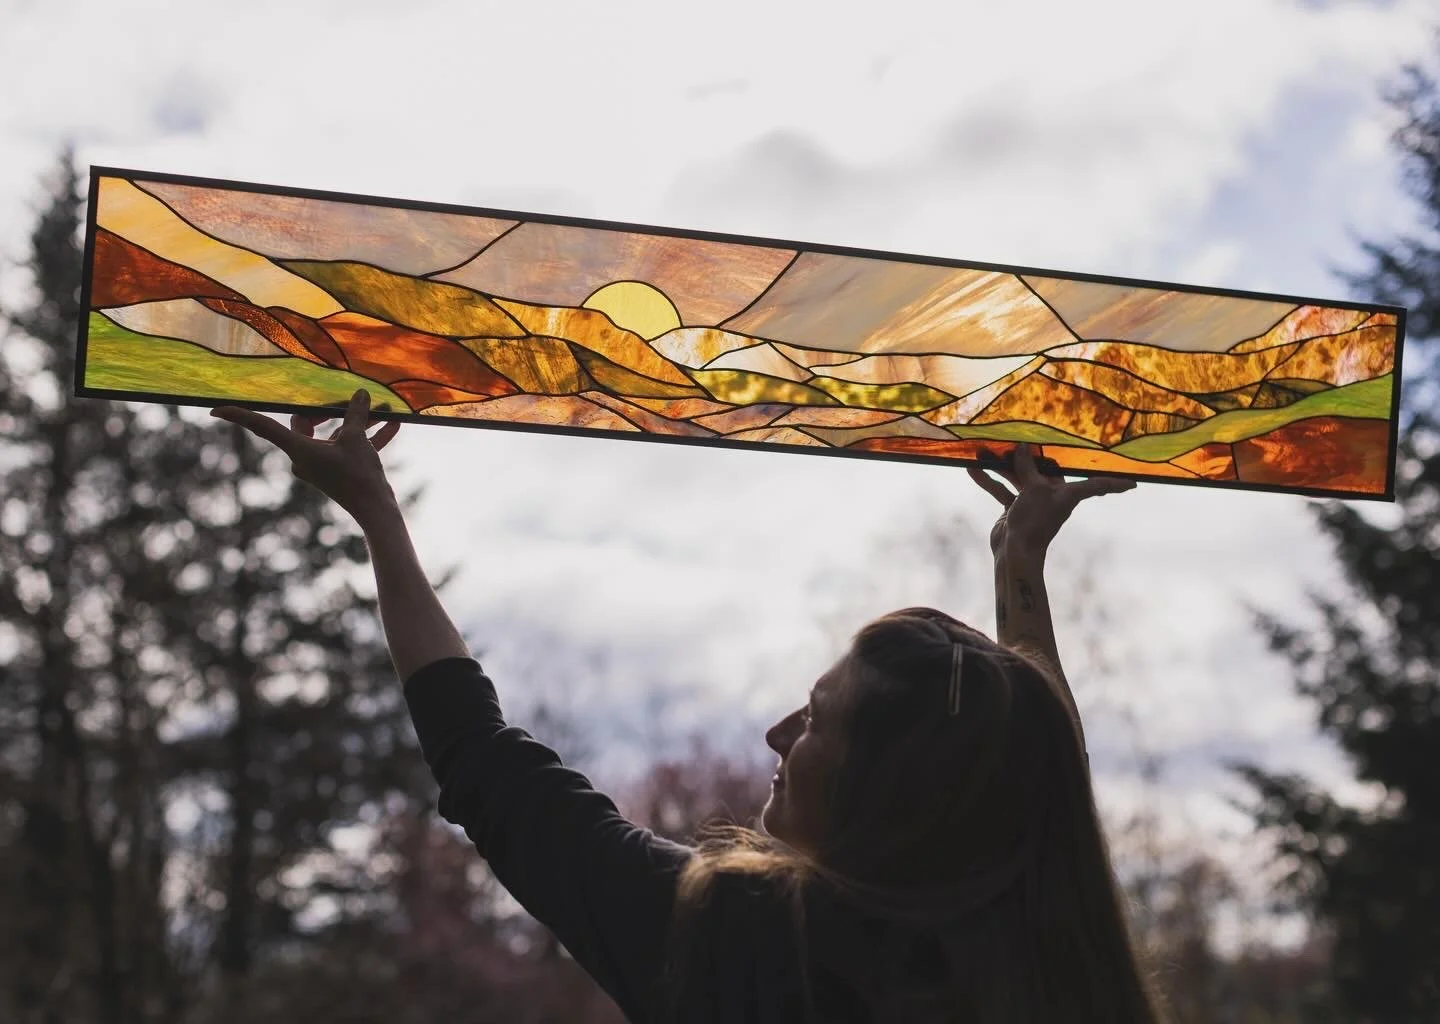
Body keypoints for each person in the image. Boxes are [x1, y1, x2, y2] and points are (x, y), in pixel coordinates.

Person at [213, 390, 1169, 1023]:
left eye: (819, 720)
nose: (779, 736)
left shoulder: (748, 947)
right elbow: (1032, 792)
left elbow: (483, 757)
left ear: (887, 792)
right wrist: (1021, 573)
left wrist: (376, 519)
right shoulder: (1044, 965)